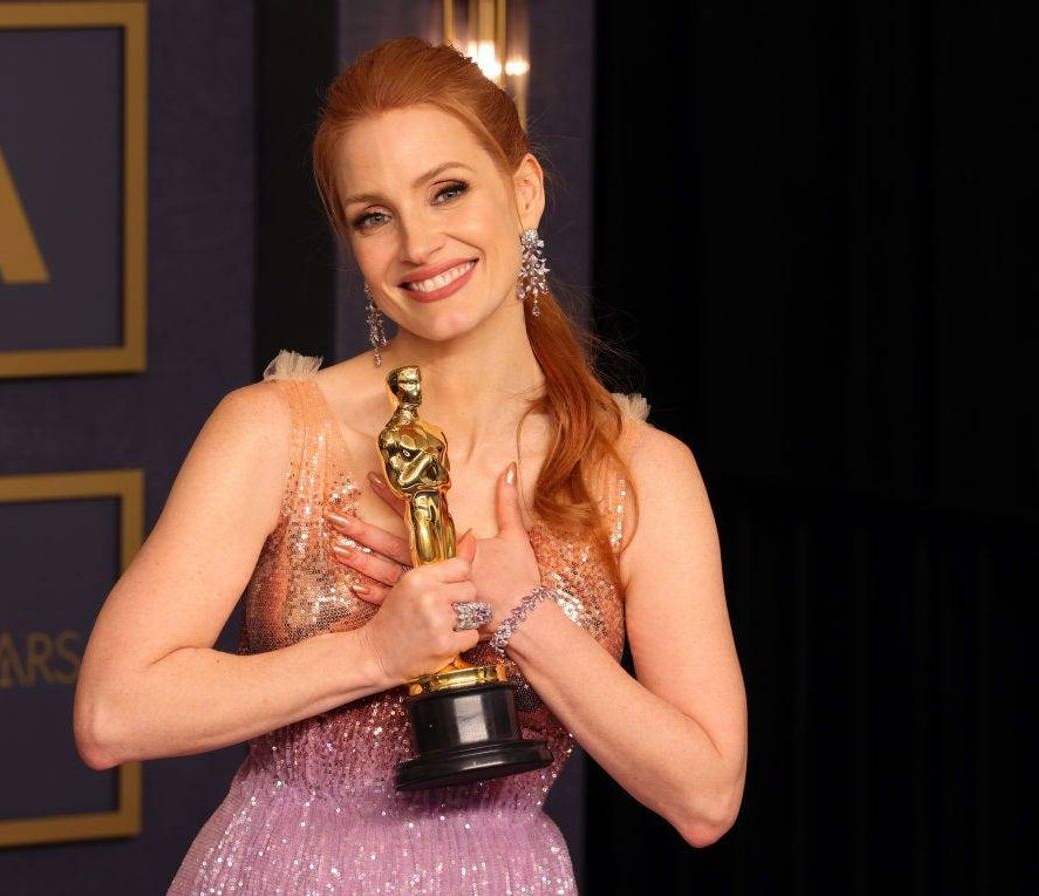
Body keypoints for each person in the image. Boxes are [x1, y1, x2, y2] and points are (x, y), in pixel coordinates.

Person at [73, 36, 747, 895]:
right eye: (373, 215)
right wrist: (376, 653)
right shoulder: (276, 430)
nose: (418, 244)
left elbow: (707, 795)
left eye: (449, 191)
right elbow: (112, 713)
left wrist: (521, 615)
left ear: (524, 191)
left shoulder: (639, 471)